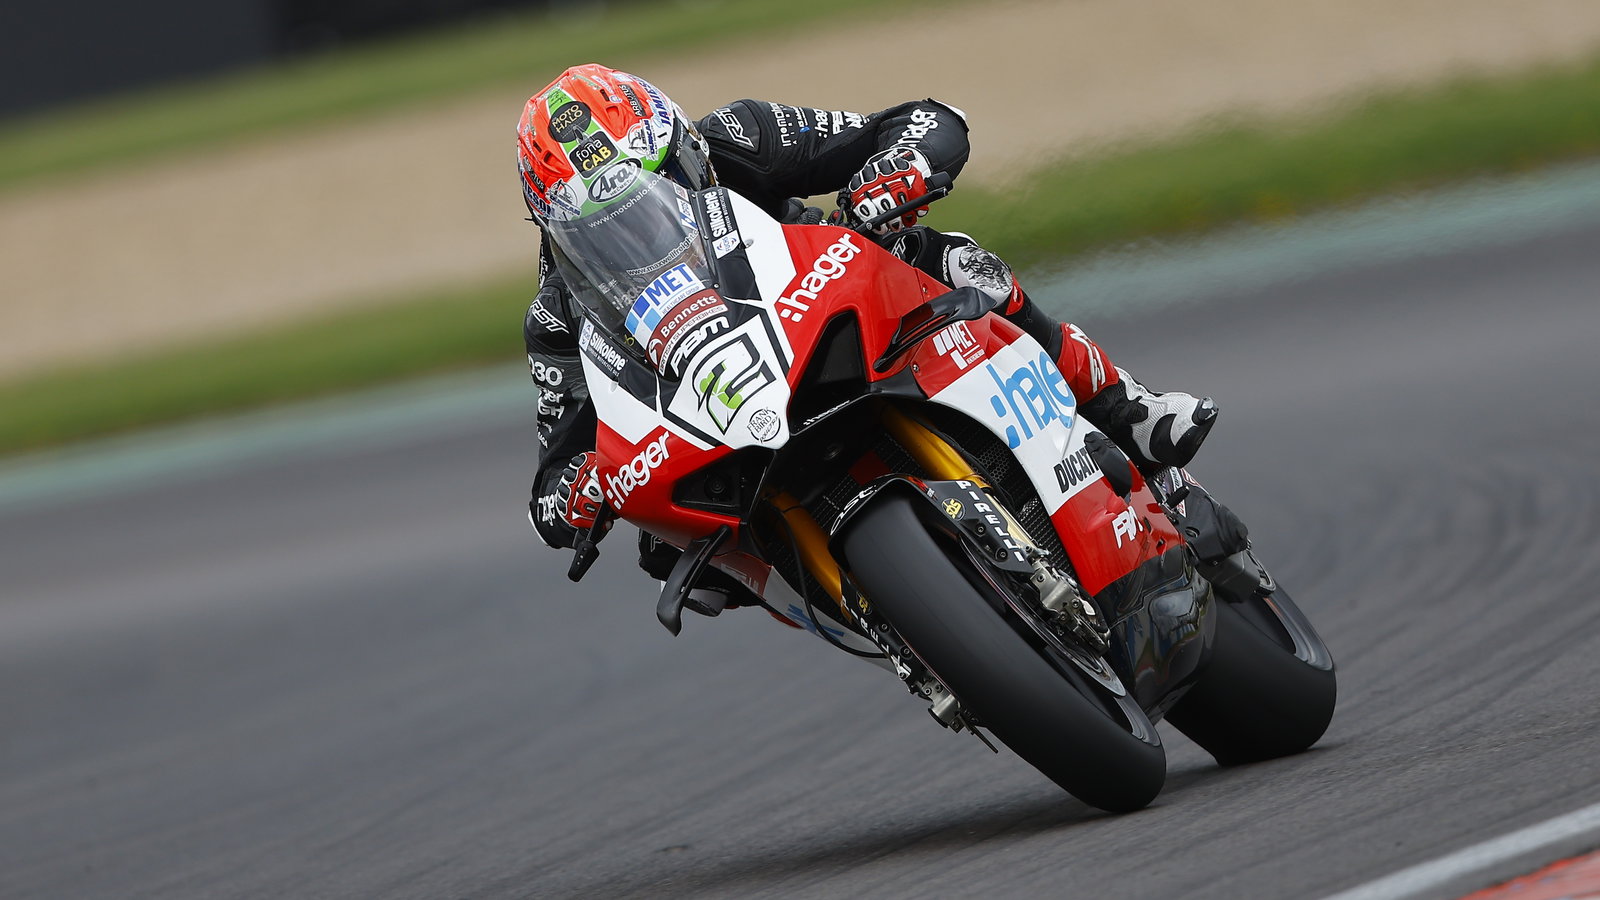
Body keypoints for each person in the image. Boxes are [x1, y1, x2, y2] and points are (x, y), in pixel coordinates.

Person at [517, 63, 1216, 558]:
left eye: (659, 180)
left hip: (824, 314)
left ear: (679, 143)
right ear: (554, 228)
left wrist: (899, 168)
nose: (638, 223)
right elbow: (554, 471)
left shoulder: (740, 137)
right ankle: (906, 627)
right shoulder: (556, 317)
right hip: (712, 418)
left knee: (940, 256)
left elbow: (924, 120)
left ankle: (1126, 410)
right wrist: (574, 490)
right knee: (675, 561)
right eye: (602, 224)